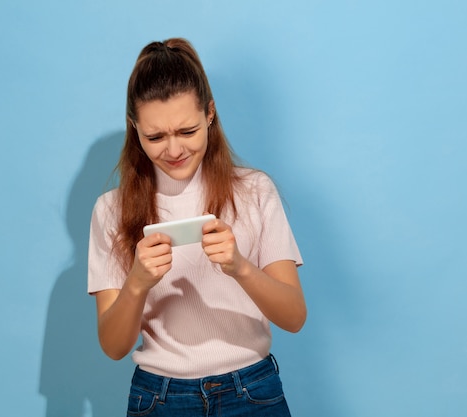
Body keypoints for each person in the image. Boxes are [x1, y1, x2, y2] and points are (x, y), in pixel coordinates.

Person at [88, 38, 307, 416]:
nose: (173, 150)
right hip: (160, 398)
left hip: (252, 391)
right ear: (134, 127)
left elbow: (293, 317)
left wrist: (240, 267)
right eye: (155, 137)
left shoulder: (255, 191)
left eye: (187, 131)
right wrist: (138, 281)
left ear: (210, 114)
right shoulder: (111, 210)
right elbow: (113, 346)